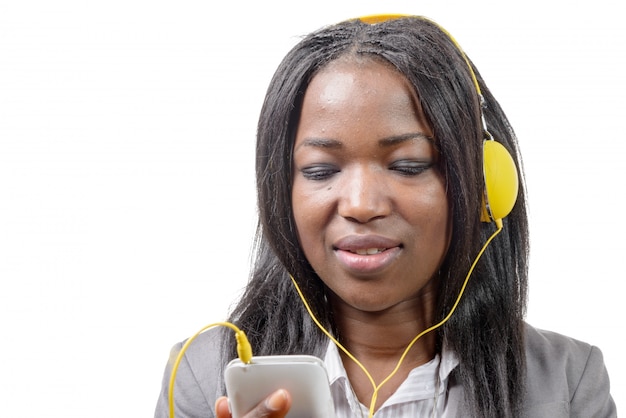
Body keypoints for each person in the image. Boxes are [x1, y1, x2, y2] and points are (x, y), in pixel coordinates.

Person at [154, 15, 617, 418]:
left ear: (484, 189)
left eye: (407, 166)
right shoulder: (204, 375)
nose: (359, 204)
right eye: (320, 171)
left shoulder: (567, 383)